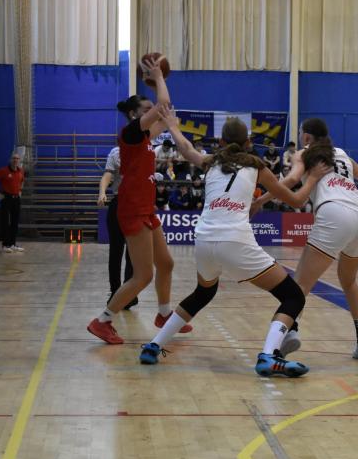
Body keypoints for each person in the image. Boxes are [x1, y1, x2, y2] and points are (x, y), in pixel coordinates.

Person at [140, 108, 330, 377]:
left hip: (204, 239)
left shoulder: (210, 161)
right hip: (235, 240)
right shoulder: (257, 166)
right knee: (293, 296)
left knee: (202, 293)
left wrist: (172, 124)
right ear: (248, 142)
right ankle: (269, 356)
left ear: (220, 141)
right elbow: (297, 200)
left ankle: (154, 346)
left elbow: (185, 148)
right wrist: (313, 178)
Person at [252, 118, 358, 361]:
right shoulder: (341, 153)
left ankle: (290, 332)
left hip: (334, 212)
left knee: (300, 284)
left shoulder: (303, 153)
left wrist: (261, 199)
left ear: (306, 137)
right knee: (349, 281)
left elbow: (291, 181)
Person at [87, 56, 192, 345]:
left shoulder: (145, 139)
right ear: (135, 115)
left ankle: (164, 314)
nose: (152, 112)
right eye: (147, 110)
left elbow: (166, 112)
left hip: (146, 208)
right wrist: (158, 77)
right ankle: (102, 320)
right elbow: (163, 106)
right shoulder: (131, 134)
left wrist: (164, 104)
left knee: (166, 264)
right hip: (132, 208)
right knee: (143, 275)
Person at [97, 146, 137, 310]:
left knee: (132, 253)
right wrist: (102, 192)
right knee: (115, 251)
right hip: (118, 202)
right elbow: (108, 174)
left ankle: (128, 294)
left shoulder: (146, 151)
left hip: (136, 204)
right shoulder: (116, 152)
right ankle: (115, 291)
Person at [0, 153, 25, 253]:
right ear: (10, 160)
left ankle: (13, 244)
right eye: (14, 158)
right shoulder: (4, 170)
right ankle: (5, 245)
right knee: (5, 222)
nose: (15, 160)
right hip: (6, 198)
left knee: (15, 222)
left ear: (19, 160)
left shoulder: (21, 171)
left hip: (16, 199)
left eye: (17, 158)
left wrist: (20, 191)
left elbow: (22, 181)